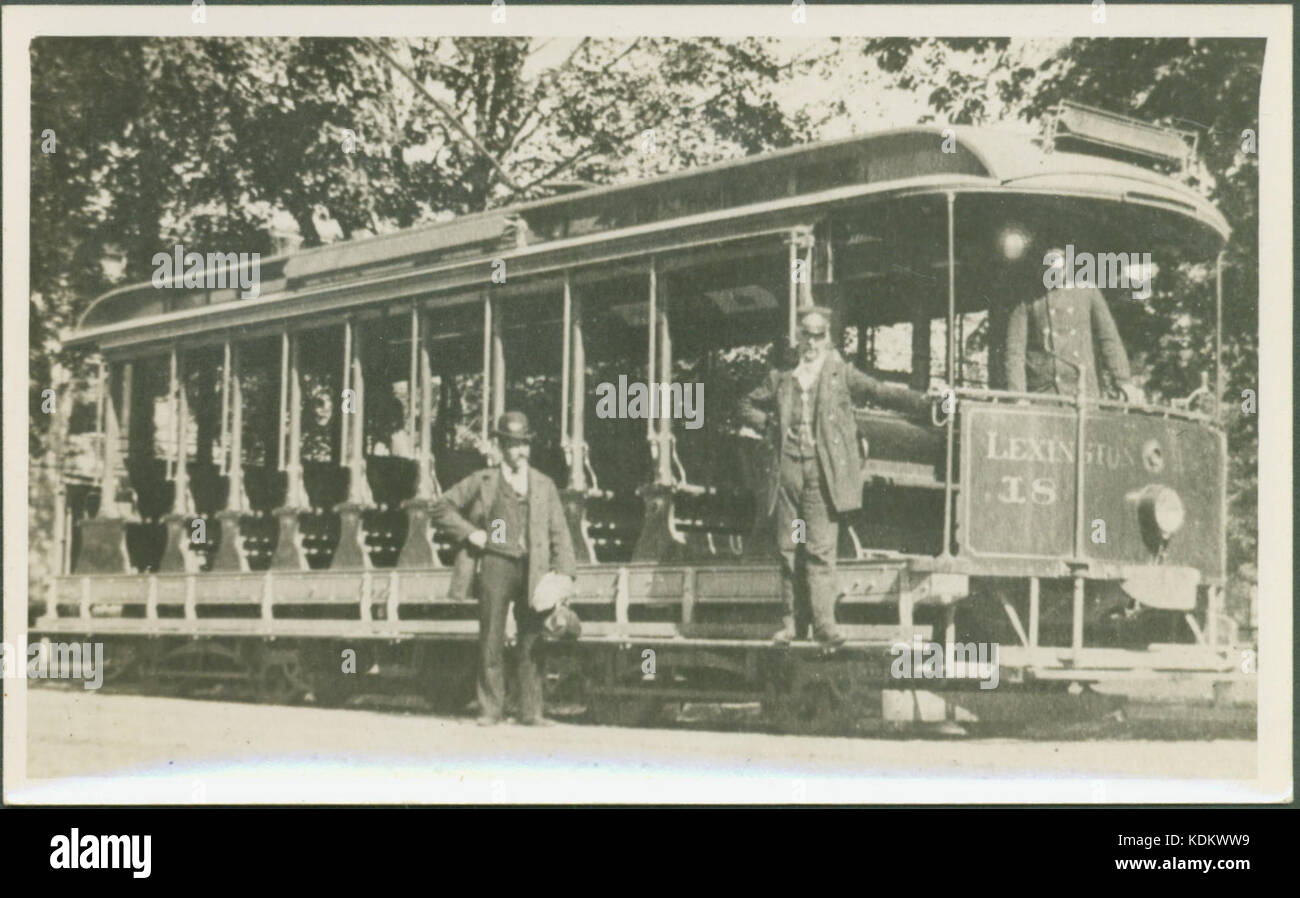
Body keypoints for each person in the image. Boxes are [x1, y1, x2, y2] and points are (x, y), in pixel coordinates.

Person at [739, 307, 939, 648]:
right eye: (805, 334)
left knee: (819, 548)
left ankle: (824, 625)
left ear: (827, 337)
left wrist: (924, 401)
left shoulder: (841, 374)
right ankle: (790, 625)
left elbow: (880, 391)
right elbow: (746, 404)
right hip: (788, 474)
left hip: (821, 474)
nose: (811, 342)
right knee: (790, 547)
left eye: (818, 335)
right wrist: (769, 427)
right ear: (798, 338)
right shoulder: (782, 377)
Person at [429, 411, 577, 726]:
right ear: (500, 446)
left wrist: (564, 573)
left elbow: (559, 531)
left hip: (533, 569)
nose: (520, 451)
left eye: (524, 444)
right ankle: (490, 710)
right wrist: (471, 533)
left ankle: (530, 712)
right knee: (491, 638)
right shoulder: (483, 481)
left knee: (532, 640)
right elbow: (440, 507)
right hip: (495, 564)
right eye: (513, 445)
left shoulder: (543, 484)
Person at [1004, 246, 1141, 400]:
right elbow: (1015, 352)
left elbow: (1109, 339)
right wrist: (1018, 396)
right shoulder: (1027, 300)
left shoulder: (1087, 292)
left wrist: (1123, 381)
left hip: (1082, 390)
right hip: (1044, 393)